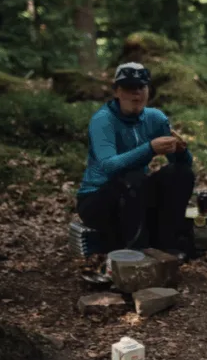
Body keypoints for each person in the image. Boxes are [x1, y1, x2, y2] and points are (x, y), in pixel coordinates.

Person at [76, 62, 195, 255]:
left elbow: (183, 166)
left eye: (141, 87)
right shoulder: (103, 120)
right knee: (133, 178)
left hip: (135, 194)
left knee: (180, 174)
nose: (136, 94)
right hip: (97, 198)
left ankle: (167, 247)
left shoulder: (155, 118)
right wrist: (149, 149)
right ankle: (136, 254)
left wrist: (181, 151)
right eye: (129, 88)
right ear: (116, 92)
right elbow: (109, 166)